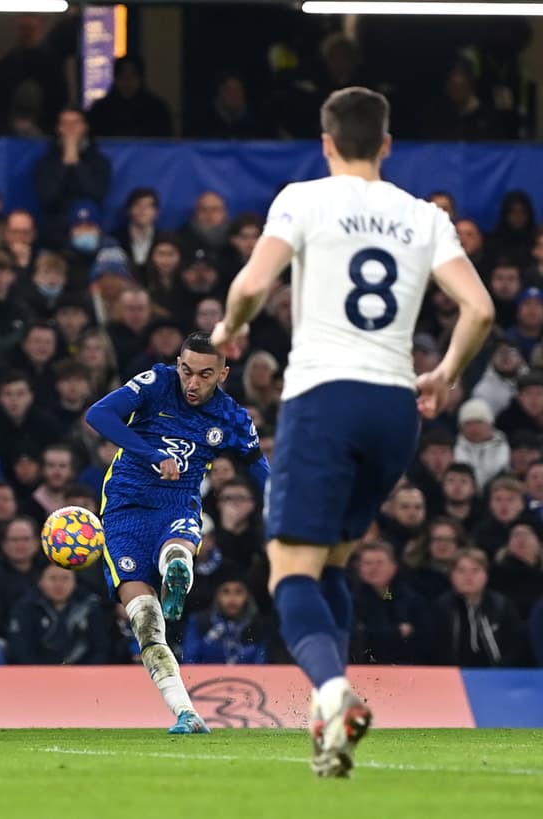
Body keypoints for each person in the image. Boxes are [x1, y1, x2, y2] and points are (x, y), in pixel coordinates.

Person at [211, 87, 494, 777]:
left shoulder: (303, 199)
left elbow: (253, 280)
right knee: (333, 560)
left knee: (288, 569)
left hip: (325, 397)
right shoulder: (423, 215)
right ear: (388, 145)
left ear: (327, 141)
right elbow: (480, 307)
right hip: (396, 407)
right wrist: (446, 372)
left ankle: (335, 694)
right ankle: (329, 716)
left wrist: (230, 327)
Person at [84, 331, 268, 735]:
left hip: (177, 503)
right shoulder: (157, 382)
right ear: (178, 365)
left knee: (179, 546)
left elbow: (258, 469)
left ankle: (176, 571)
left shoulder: (233, 417)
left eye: (205, 374)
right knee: (146, 622)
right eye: (186, 370)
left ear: (223, 373)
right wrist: (153, 454)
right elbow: (98, 415)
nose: (192, 383)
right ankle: (187, 713)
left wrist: (282, 509)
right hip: (124, 512)